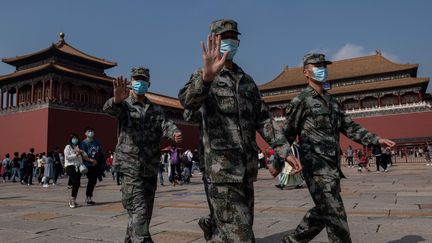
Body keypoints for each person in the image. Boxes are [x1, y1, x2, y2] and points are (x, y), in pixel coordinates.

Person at [178, 19, 299, 242]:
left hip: (246, 170)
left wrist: (285, 151)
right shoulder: (204, 76)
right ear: (213, 40)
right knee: (242, 236)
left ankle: (213, 223)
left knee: (238, 227)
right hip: (220, 170)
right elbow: (187, 103)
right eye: (224, 38)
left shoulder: (247, 82)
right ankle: (215, 222)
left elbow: (263, 120)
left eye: (233, 38)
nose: (229, 42)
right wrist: (206, 79)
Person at [270, 53, 396, 243]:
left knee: (324, 210)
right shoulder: (301, 101)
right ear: (306, 72)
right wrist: (278, 163)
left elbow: (350, 127)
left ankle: (292, 240)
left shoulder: (332, 102)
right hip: (315, 167)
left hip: (333, 167)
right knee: (336, 215)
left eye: (324, 66)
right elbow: (286, 134)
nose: (322, 70)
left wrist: (376, 140)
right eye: (317, 66)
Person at [103, 66, 182, 243]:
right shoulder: (124, 105)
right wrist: (115, 100)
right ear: (131, 82)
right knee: (139, 209)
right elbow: (109, 109)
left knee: (143, 212)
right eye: (137, 79)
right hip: (130, 167)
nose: (140, 82)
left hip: (150, 167)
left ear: (149, 83)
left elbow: (166, 124)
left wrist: (174, 132)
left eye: (143, 80)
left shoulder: (155, 109)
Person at [80, 127, 101, 205]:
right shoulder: (83, 143)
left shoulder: (96, 142)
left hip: (96, 164)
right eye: (89, 131)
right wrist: (91, 160)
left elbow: (99, 152)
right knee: (92, 180)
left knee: (94, 181)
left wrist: (98, 161)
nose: (91, 132)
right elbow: (83, 155)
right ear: (85, 133)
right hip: (88, 164)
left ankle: (89, 197)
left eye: (92, 131)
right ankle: (88, 197)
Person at [64, 134, 87, 208]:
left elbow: (85, 156)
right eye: (73, 138)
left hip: (78, 167)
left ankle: (74, 199)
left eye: (76, 138)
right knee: (76, 182)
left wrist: (82, 152)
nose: (75, 140)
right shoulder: (68, 147)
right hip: (70, 167)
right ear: (70, 139)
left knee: (77, 184)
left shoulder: (78, 147)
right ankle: (72, 200)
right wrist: (76, 155)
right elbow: (67, 157)